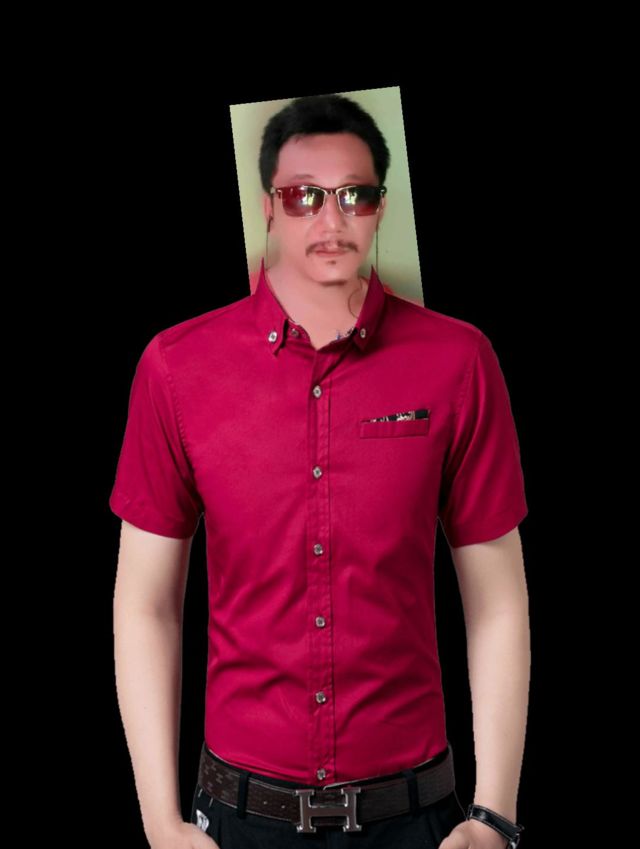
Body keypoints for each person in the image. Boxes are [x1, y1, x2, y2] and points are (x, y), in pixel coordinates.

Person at [110, 93, 528, 849]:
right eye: (304, 195)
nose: (329, 220)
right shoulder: (176, 367)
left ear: (380, 207)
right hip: (237, 823)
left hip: (417, 822)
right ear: (268, 206)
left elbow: (496, 601)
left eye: (353, 195)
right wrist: (159, 823)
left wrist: (493, 814)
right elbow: (147, 603)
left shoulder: (459, 361)